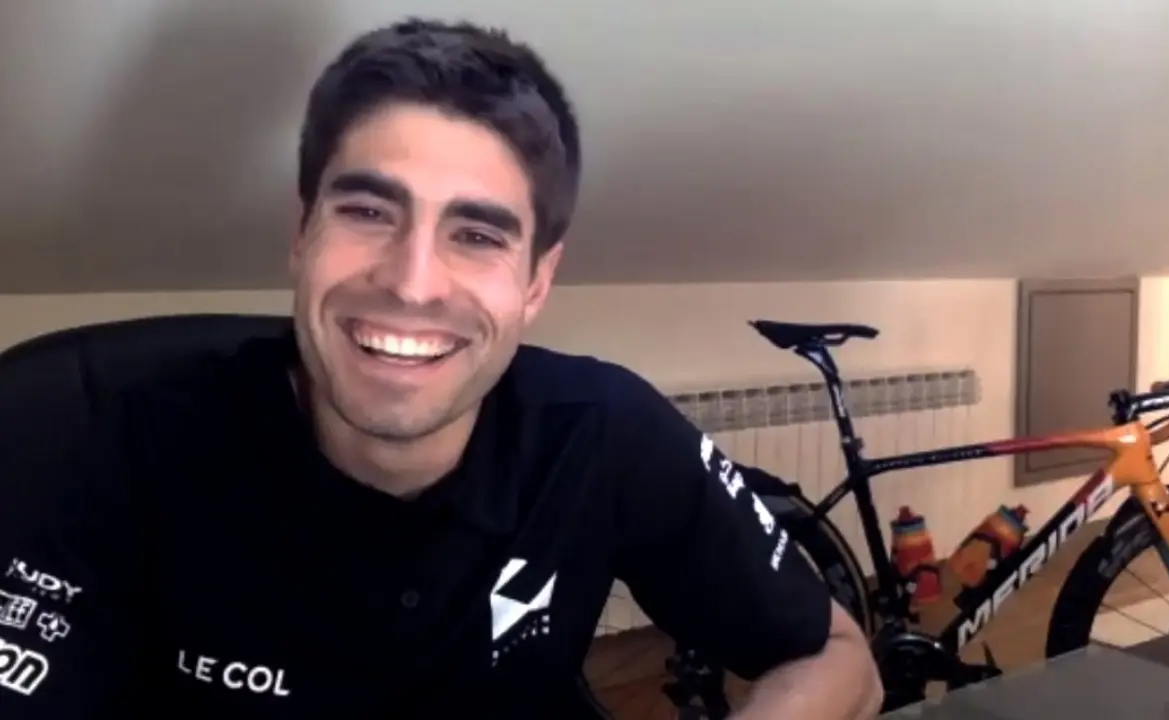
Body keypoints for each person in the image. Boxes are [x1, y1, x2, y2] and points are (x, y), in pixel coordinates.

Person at [0, 18, 882, 719]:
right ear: (301, 233)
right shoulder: (104, 448)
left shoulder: (603, 431)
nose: (412, 283)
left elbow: (838, 660)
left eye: (478, 234)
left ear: (537, 281)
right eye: (369, 212)